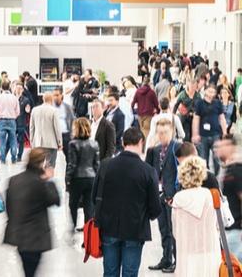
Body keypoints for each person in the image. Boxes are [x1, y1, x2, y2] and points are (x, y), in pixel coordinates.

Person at [92, 127, 162, 277]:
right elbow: (155, 209)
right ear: (140, 142)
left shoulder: (105, 166)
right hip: (135, 230)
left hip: (108, 228)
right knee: (130, 273)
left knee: (110, 272)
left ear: (123, 142)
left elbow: (94, 198)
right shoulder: (148, 171)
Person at [4, 148, 60, 277]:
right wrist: (49, 180)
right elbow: (55, 200)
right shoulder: (40, 183)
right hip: (36, 237)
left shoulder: (14, 180)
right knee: (31, 271)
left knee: (27, 269)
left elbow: (9, 206)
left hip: (19, 234)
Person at [171, 155, 221, 277]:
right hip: (209, 253)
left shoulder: (178, 199)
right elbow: (218, 225)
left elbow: (175, 232)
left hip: (187, 254)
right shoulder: (210, 196)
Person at [146, 118, 181, 273]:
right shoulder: (155, 149)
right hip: (159, 194)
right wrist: (149, 150)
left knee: (174, 230)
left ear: (171, 131)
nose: (162, 136)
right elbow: (148, 169)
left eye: (165, 132)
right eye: (160, 133)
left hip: (172, 195)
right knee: (163, 228)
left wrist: (177, 194)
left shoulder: (177, 147)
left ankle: (177, 260)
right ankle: (166, 258)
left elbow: (181, 171)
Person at [66, 118, 99, 236]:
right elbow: (96, 164)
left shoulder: (73, 144)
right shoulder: (94, 144)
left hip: (77, 178)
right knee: (89, 207)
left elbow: (72, 164)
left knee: (73, 204)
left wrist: (68, 180)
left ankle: (73, 227)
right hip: (91, 178)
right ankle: (88, 234)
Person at [216, 135, 242, 261]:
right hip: (227, 230)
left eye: (223, 146)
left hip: (236, 231)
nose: (219, 149)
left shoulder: (237, 170)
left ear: (232, 148)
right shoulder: (226, 169)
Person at [192, 84, 227, 175]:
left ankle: (216, 178)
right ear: (205, 91)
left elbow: (222, 118)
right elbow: (196, 119)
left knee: (217, 160)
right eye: (210, 91)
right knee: (203, 159)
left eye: (214, 92)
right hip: (203, 135)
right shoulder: (199, 103)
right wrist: (195, 134)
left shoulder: (218, 103)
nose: (212, 94)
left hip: (215, 134)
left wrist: (225, 132)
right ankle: (206, 178)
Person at [30, 91, 63, 168]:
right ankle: (48, 179)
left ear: (43, 98)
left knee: (37, 165)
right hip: (51, 143)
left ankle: (38, 179)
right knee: (50, 165)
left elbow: (32, 127)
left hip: (38, 142)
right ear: (52, 99)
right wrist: (60, 142)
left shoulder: (35, 110)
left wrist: (32, 141)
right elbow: (57, 128)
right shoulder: (54, 111)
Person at [0, 81, 20, 164]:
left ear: (1, 88)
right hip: (12, 120)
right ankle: (13, 158)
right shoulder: (14, 98)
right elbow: (18, 112)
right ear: (9, 87)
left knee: (2, 141)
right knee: (13, 140)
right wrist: (13, 117)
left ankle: (3, 159)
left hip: (2, 120)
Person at [131, 77, 160, 145]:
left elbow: (133, 101)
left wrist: (131, 110)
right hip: (149, 114)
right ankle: (145, 148)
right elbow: (156, 103)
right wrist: (158, 111)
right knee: (146, 131)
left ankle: (142, 146)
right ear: (149, 83)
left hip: (140, 114)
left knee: (142, 130)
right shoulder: (151, 92)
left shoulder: (138, 91)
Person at [52, 86, 75, 165]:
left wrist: (72, 133)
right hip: (53, 135)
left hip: (65, 134)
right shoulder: (50, 107)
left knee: (70, 158)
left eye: (57, 95)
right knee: (51, 159)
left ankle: (68, 176)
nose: (55, 97)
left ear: (61, 95)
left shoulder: (67, 107)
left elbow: (72, 120)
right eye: (54, 95)